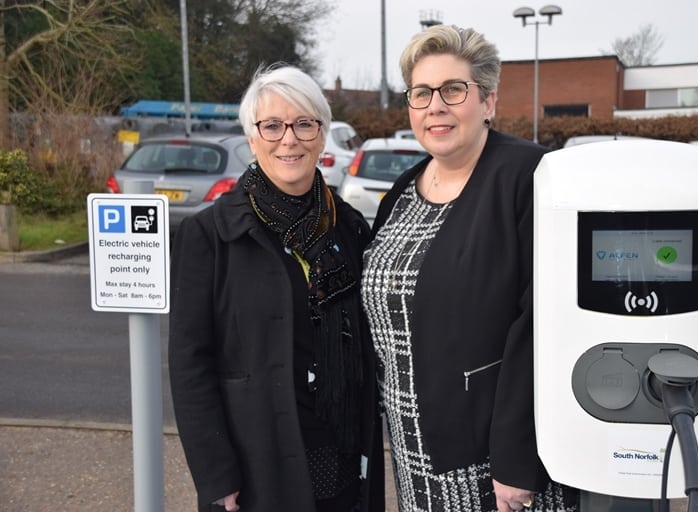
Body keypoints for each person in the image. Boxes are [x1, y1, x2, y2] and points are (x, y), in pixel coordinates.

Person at [361, 25, 578, 512]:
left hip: (495, 461)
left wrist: (516, 463)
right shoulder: (403, 189)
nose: (435, 105)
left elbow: (543, 327)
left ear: (488, 101)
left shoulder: (530, 177)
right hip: (418, 449)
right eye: (421, 93)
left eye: (453, 90)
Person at [168, 64, 384, 512]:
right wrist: (215, 475)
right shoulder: (209, 236)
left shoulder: (349, 228)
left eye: (304, 123)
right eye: (273, 125)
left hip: (344, 464)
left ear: (322, 136)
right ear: (252, 138)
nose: (289, 139)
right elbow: (190, 365)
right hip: (256, 471)